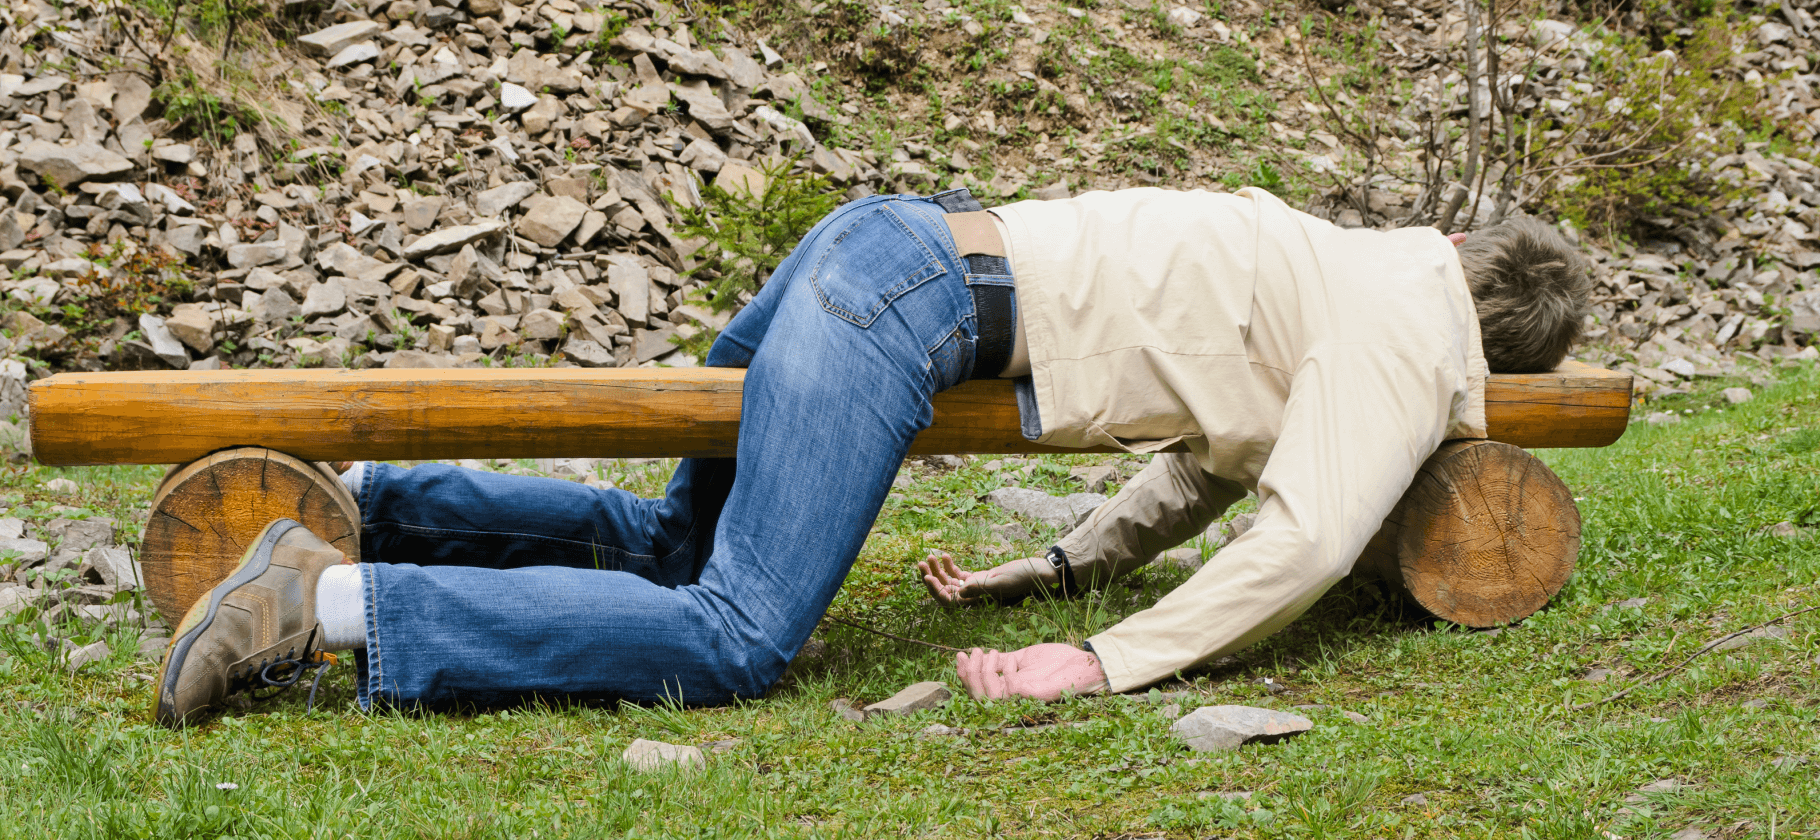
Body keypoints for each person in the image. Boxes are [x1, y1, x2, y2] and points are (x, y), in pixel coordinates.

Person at [153, 186, 1589, 727]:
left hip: (886, 243)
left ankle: (360, 515)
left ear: (1464, 250)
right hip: (912, 305)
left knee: (676, 555)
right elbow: (1314, 534)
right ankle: (321, 603)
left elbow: (1205, 467)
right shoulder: (1410, 341)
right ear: (1502, 357)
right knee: (735, 636)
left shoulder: (1354, 272)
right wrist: (1107, 662)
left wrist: (1054, 575)